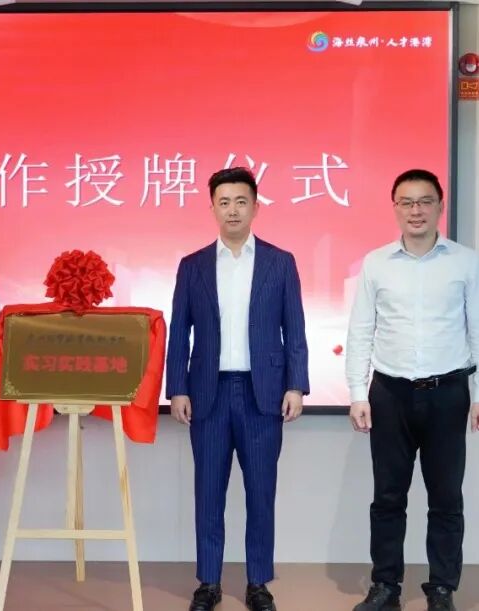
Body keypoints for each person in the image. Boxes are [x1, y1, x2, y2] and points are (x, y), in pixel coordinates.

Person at [346, 169, 479, 611]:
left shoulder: (465, 262)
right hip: (389, 394)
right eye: (407, 202)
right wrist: (357, 392)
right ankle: (385, 587)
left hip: (447, 394)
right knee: (387, 498)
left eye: (425, 201)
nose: (416, 210)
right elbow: (361, 331)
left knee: (446, 498)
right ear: (395, 208)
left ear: (440, 207)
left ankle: (442, 588)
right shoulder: (375, 263)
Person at [166, 167, 309, 611]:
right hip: (207, 394)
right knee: (208, 492)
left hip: (261, 394)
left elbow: (295, 328)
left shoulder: (279, 262)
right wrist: (178, 388)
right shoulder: (192, 266)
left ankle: (258, 583)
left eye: (241, 201)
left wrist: (296, 385)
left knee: (261, 493)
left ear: (255, 207)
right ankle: (208, 582)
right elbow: (179, 332)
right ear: (212, 208)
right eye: (224, 202)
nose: (233, 210)